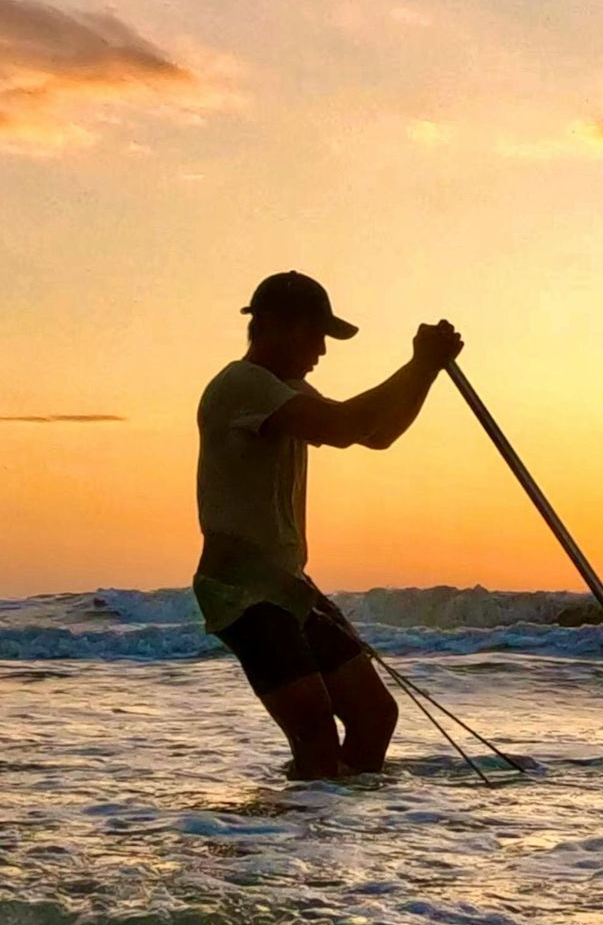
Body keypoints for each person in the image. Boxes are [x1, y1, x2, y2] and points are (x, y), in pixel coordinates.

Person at [194, 271, 462, 778]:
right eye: (313, 333)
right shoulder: (242, 385)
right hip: (240, 592)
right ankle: (290, 846)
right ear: (272, 326)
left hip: (287, 586)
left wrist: (425, 374)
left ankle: (329, 831)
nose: (321, 348)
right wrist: (418, 363)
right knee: (315, 730)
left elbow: (376, 434)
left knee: (376, 716)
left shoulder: (287, 389)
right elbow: (343, 427)